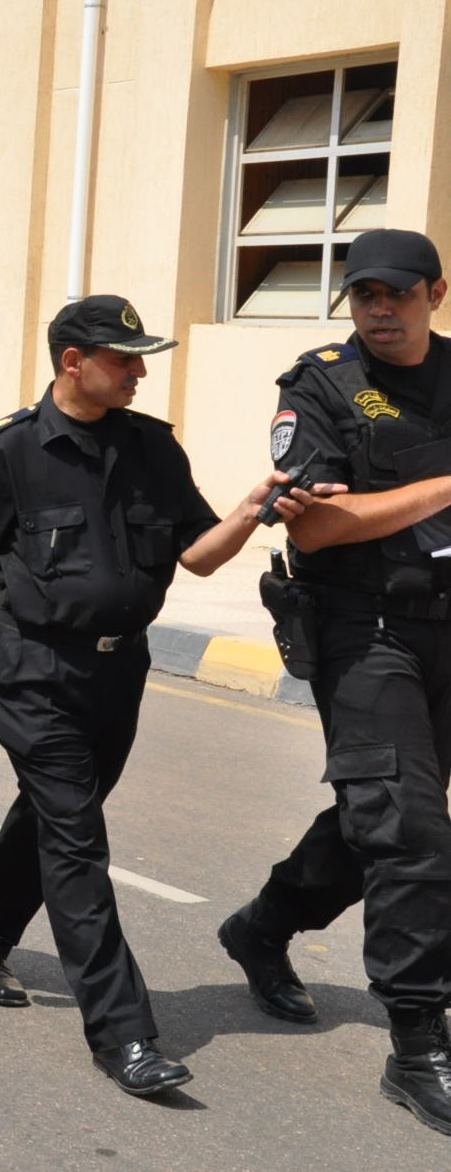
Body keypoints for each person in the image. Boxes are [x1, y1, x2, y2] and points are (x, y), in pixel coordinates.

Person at [0, 294, 323, 1100]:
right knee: (76, 841)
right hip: (30, 668)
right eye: (124, 359)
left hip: (117, 671)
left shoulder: (152, 448)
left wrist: (250, 510)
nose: (138, 373)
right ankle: (123, 1033)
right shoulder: (10, 452)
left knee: (57, 813)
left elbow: (198, 556)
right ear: (73, 362)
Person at [217, 228, 451, 1136]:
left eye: (397, 294)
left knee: (377, 816)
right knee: (409, 827)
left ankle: (262, 926)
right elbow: (317, 527)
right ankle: (418, 1045)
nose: (379, 312)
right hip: (365, 630)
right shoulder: (320, 385)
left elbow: (360, 510)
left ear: (435, 293)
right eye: (363, 296)